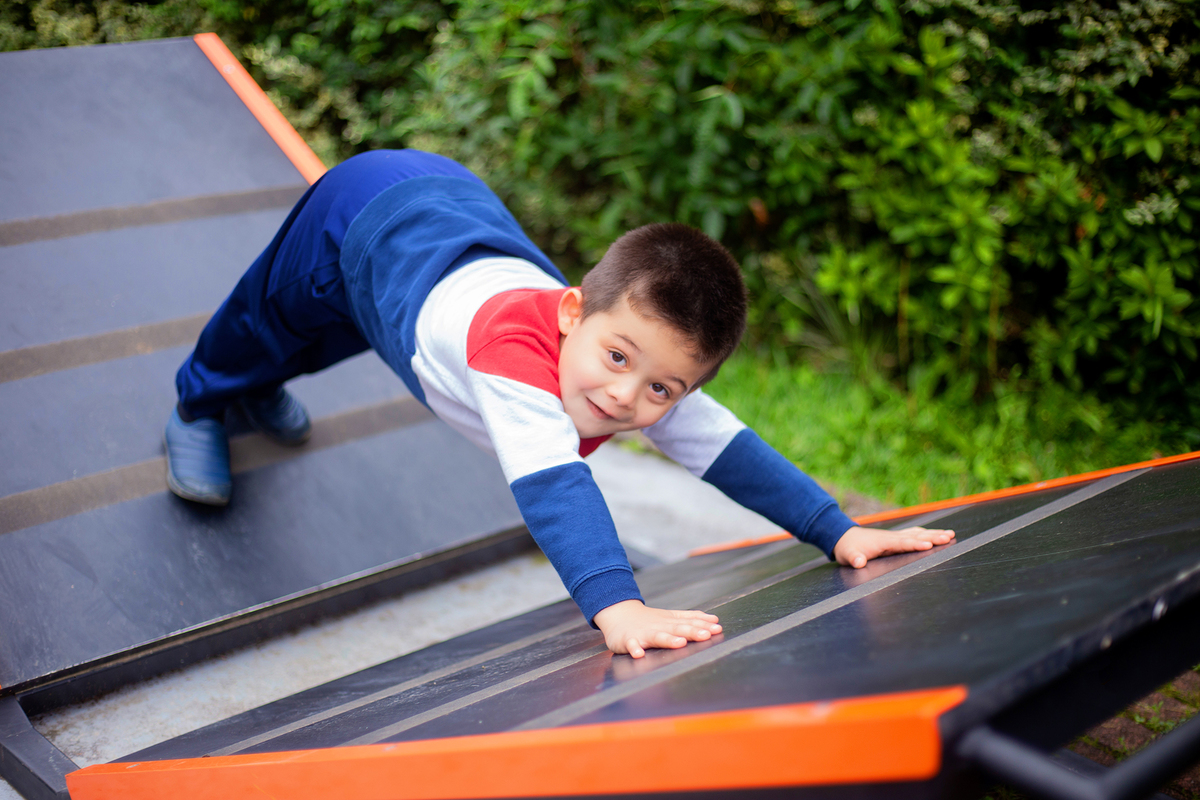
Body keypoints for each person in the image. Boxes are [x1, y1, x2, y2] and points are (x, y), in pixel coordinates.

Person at [164, 149, 955, 658]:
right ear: (572, 312)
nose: (623, 395)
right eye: (617, 359)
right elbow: (553, 486)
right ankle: (202, 405)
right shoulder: (510, 360)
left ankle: (260, 387)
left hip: (460, 225)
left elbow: (727, 448)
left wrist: (838, 530)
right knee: (273, 320)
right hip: (370, 214)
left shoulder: (635, 352)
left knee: (335, 333)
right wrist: (618, 606)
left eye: (662, 390)